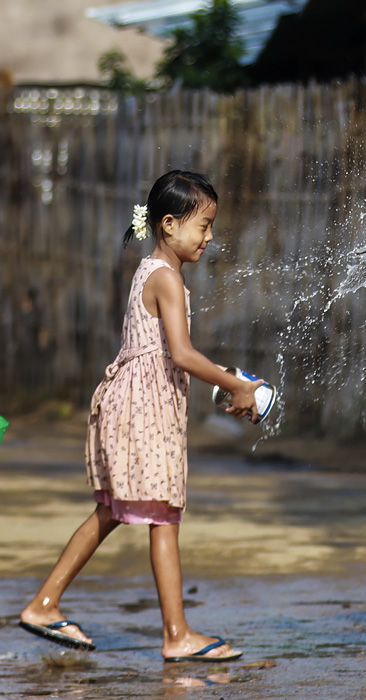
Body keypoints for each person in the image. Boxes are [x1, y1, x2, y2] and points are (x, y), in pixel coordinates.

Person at [19, 171, 262, 661]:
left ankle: (44, 604)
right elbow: (183, 354)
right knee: (163, 515)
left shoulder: (151, 270)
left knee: (113, 509)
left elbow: (170, 354)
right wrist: (235, 384)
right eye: (205, 225)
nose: (210, 237)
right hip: (144, 409)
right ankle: (177, 635)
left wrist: (226, 379)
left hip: (131, 404)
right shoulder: (166, 278)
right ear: (169, 225)